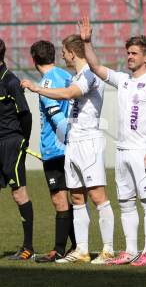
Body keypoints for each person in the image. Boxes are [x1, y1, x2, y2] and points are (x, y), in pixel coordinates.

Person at [21, 34, 114, 264]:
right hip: (72, 143)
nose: (62, 55)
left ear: (72, 53)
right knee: (77, 197)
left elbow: (69, 95)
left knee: (96, 195)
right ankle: (81, 250)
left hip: (84, 142)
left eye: (64, 51)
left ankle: (108, 249)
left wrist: (37, 88)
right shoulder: (71, 75)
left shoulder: (89, 75)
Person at [79, 17, 146, 266]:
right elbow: (96, 67)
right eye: (128, 53)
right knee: (125, 204)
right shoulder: (123, 80)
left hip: (142, 151)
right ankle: (130, 250)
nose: (129, 57)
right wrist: (87, 42)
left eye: (134, 53)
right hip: (123, 150)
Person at [29, 40, 77, 263]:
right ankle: (78, 247)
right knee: (74, 198)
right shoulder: (65, 76)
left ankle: (59, 250)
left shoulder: (46, 84)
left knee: (60, 201)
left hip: (56, 150)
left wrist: (70, 137)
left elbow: (57, 118)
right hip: (70, 148)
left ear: (34, 60)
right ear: (54, 56)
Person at [0, 38, 34, 260]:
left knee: (18, 193)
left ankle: (28, 248)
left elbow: (25, 114)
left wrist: (23, 141)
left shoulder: (10, 81)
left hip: (11, 143)